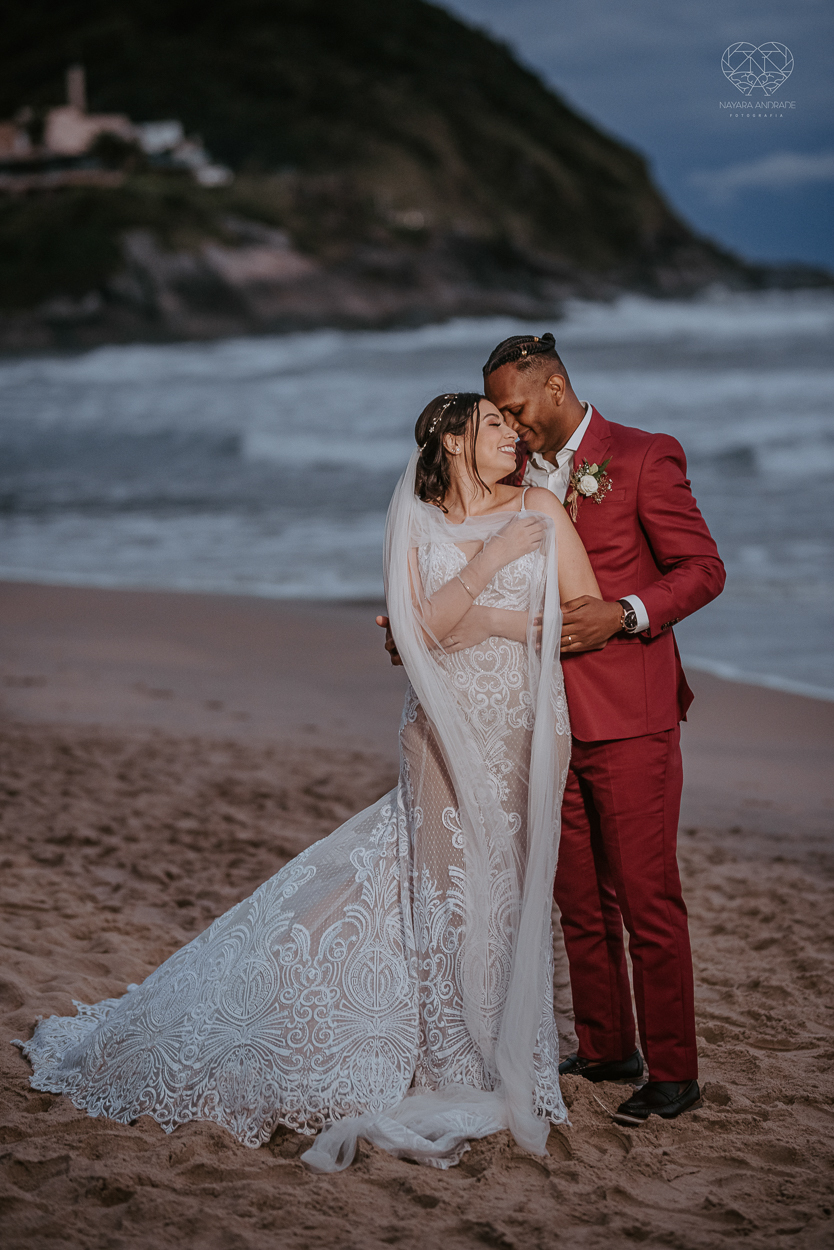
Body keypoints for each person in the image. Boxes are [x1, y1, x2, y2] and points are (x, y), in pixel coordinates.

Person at [14, 392, 601, 1171]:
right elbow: (413, 632)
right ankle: (458, 1056)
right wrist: (487, 571)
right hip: (438, 733)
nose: (514, 438)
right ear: (456, 443)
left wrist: (483, 620)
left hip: (524, 730)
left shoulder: (543, 510)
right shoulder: (419, 524)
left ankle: (500, 1048)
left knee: (514, 891)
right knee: (452, 894)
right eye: (495, 426)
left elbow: (582, 615)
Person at [482, 332, 725, 1126]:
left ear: (554, 387)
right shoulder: (512, 474)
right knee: (577, 899)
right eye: (500, 417)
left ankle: (674, 1073)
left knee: (647, 899)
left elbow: (701, 569)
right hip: (546, 717)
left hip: (632, 718)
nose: (511, 428)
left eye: (516, 410)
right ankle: (605, 1046)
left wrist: (626, 612)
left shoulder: (647, 456)